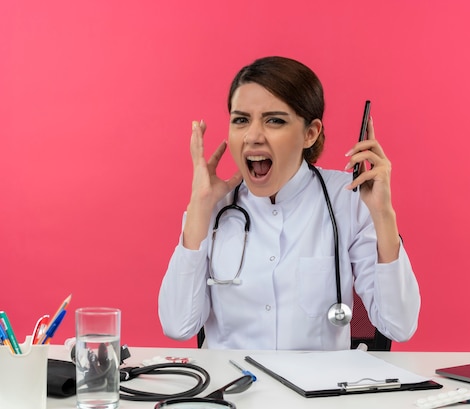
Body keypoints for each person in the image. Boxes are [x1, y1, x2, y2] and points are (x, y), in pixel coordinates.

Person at [158, 56, 420, 350]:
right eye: (241, 120)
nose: (253, 136)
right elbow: (178, 325)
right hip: (232, 387)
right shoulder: (213, 207)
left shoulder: (347, 198)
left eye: (274, 121)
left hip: (318, 391)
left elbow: (398, 325)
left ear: (310, 133)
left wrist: (383, 214)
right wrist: (198, 209)